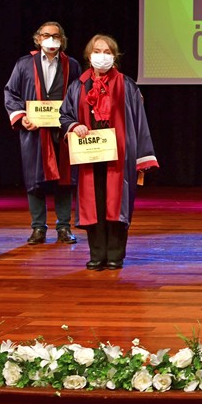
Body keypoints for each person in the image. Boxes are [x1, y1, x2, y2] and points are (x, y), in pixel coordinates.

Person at [59, 34, 157, 271]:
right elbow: (65, 115)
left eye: (107, 52)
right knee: (95, 205)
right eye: (97, 51)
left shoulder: (127, 85)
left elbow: (139, 121)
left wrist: (142, 156)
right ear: (88, 55)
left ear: (114, 56)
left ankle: (115, 255)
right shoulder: (78, 86)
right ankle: (97, 254)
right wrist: (74, 125)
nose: (101, 56)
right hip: (90, 155)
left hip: (119, 155)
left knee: (117, 205)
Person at [4, 21, 82, 245]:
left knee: (64, 180)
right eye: (46, 35)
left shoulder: (72, 65)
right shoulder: (24, 64)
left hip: (62, 132)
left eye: (56, 36)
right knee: (34, 179)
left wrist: (73, 121)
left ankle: (64, 227)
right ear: (38, 38)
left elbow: (78, 95)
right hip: (34, 132)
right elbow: (11, 92)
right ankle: (38, 227)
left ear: (62, 40)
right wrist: (21, 117)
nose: (51, 39)